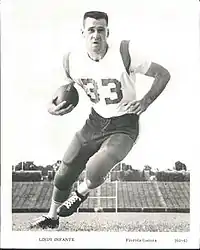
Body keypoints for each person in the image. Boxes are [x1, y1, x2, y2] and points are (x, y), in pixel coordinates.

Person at [30, 10, 170, 229]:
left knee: (96, 167)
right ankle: (52, 217)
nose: (96, 35)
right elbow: (64, 87)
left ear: (107, 32)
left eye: (100, 30)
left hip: (124, 124)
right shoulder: (71, 60)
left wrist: (145, 101)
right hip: (95, 122)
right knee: (64, 171)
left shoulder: (125, 51)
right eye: (91, 30)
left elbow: (163, 74)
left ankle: (80, 193)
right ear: (83, 33)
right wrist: (52, 105)